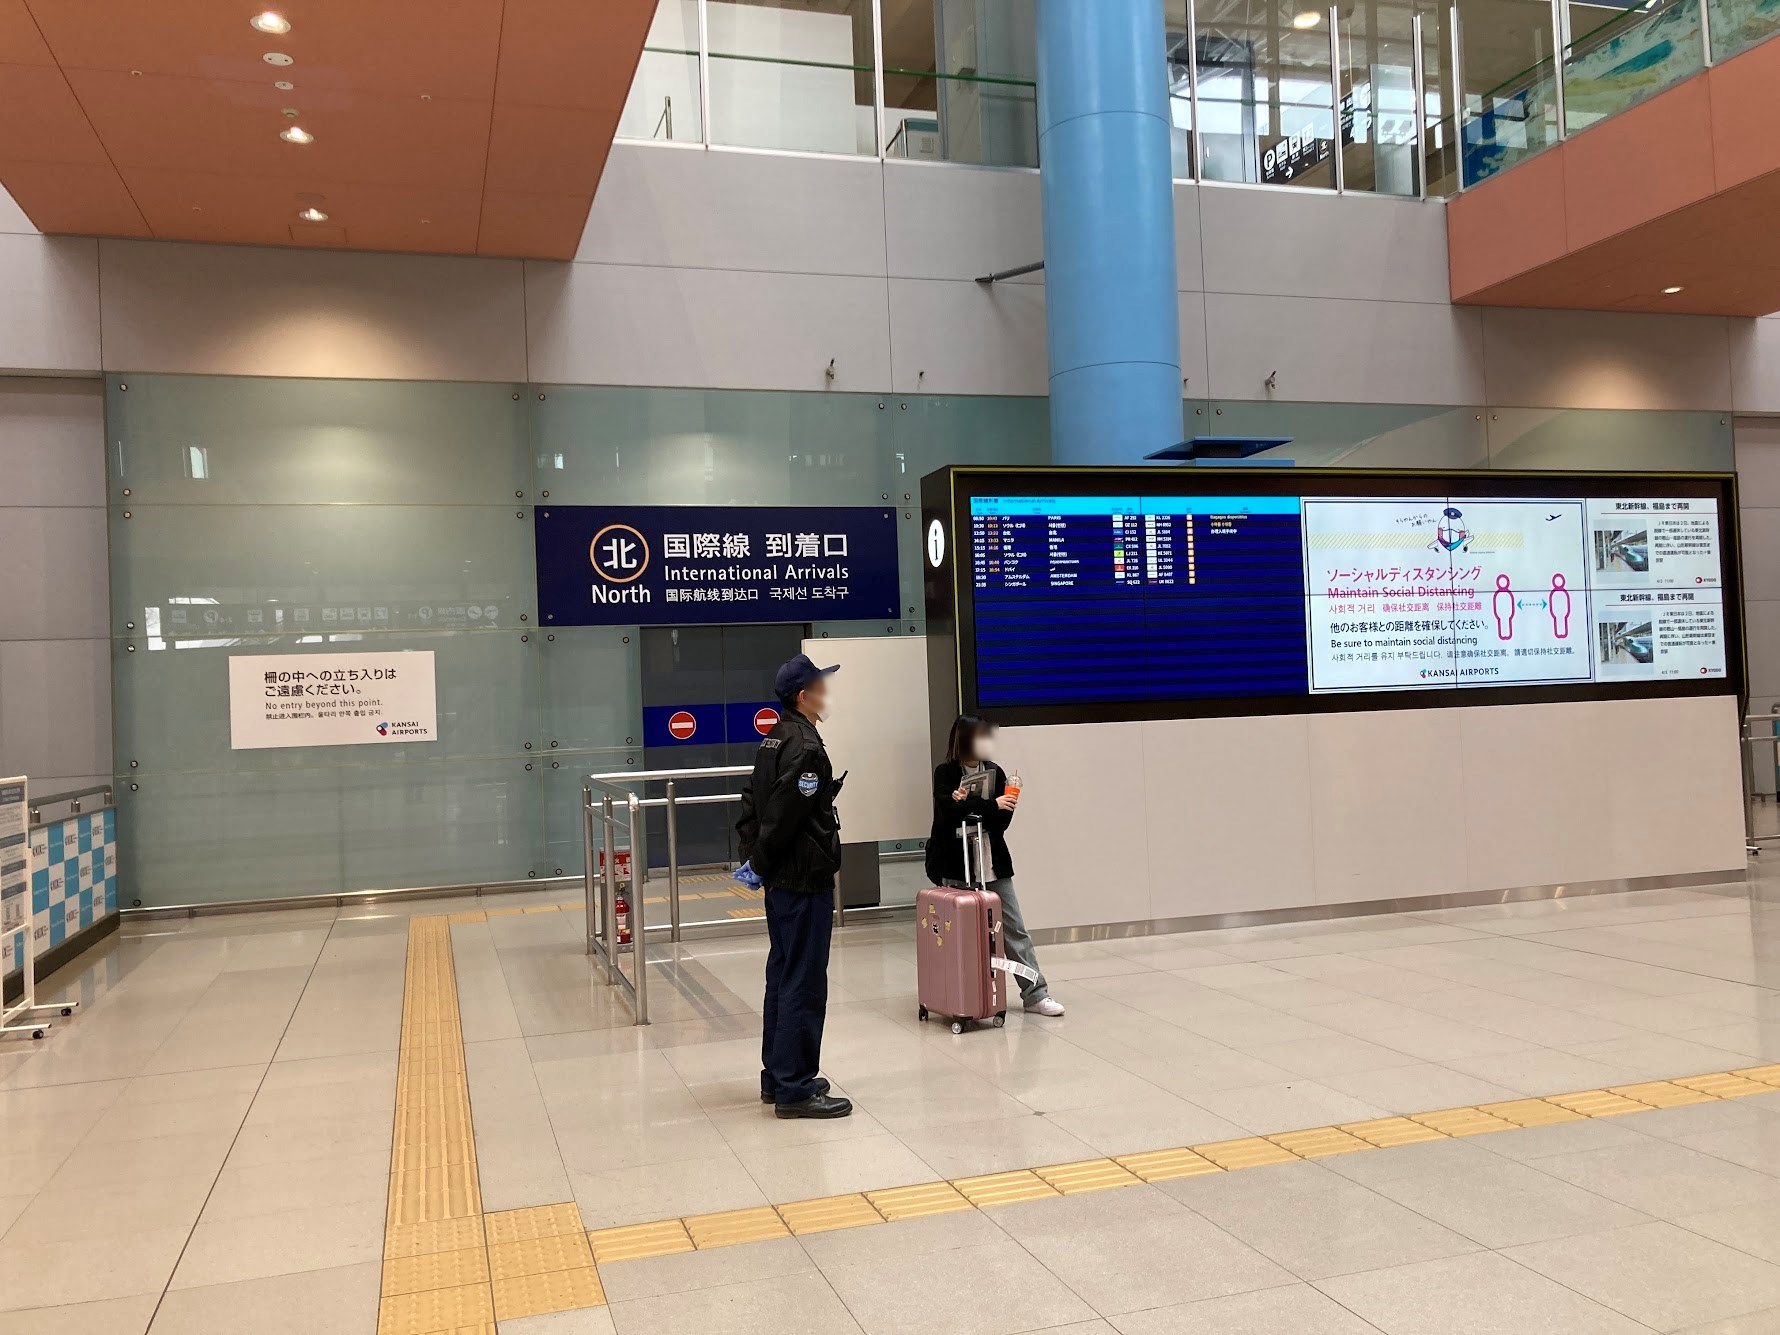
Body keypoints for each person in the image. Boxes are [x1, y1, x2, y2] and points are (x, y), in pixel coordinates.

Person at [736, 654, 853, 1119]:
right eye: (822, 686)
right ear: (803, 695)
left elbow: (751, 803)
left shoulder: (774, 737)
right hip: (803, 880)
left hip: (783, 879)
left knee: (782, 976)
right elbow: (785, 816)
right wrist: (762, 860)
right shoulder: (805, 747)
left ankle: (778, 1075)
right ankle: (795, 1089)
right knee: (803, 982)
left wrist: (756, 861)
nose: (828, 693)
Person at [926, 714, 1064, 1018]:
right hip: (955, 861)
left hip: (992, 861)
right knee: (957, 932)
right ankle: (955, 995)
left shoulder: (996, 772)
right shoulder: (946, 773)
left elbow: (1001, 822)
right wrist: (987, 805)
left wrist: (991, 804)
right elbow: (947, 813)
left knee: (1013, 928)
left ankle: (1035, 993)